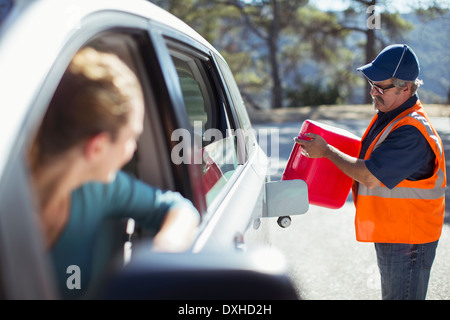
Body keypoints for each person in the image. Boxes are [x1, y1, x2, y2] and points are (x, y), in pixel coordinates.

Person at [28, 47, 200, 299]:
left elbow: (178, 208)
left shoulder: (99, 188)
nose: (131, 152)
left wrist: (164, 252)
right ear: (97, 147)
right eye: (132, 138)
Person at [295, 44, 446, 300]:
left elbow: (369, 175)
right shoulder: (390, 115)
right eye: (371, 85)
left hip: (409, 240)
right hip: (395, 233)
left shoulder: (411, 131)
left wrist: (327, 151)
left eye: (381, 87)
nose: (373, 93)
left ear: (406, 88)